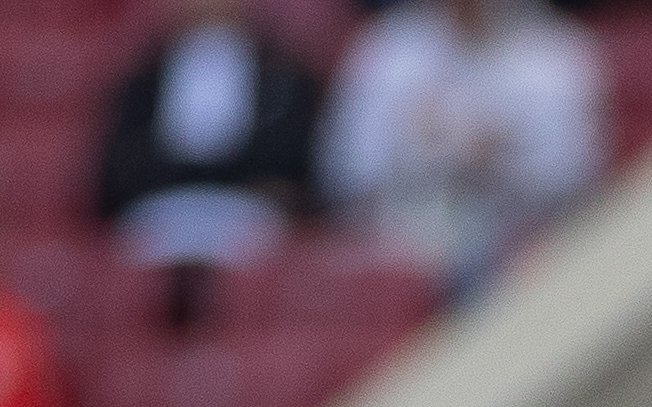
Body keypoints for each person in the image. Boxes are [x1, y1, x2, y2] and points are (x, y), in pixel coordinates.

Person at [322, 0, 603, 296]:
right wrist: (425, 151)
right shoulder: (390, 46)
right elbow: (349, 171)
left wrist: (499, 156)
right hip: (409, 234)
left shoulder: (552, 50)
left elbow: (574, 175)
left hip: (520, 235)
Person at [91, 1, 324, 271]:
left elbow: (294, 159)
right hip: (159, 209)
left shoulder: (284, 74)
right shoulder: (144, 77)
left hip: (250, 211)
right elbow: (117, 166)